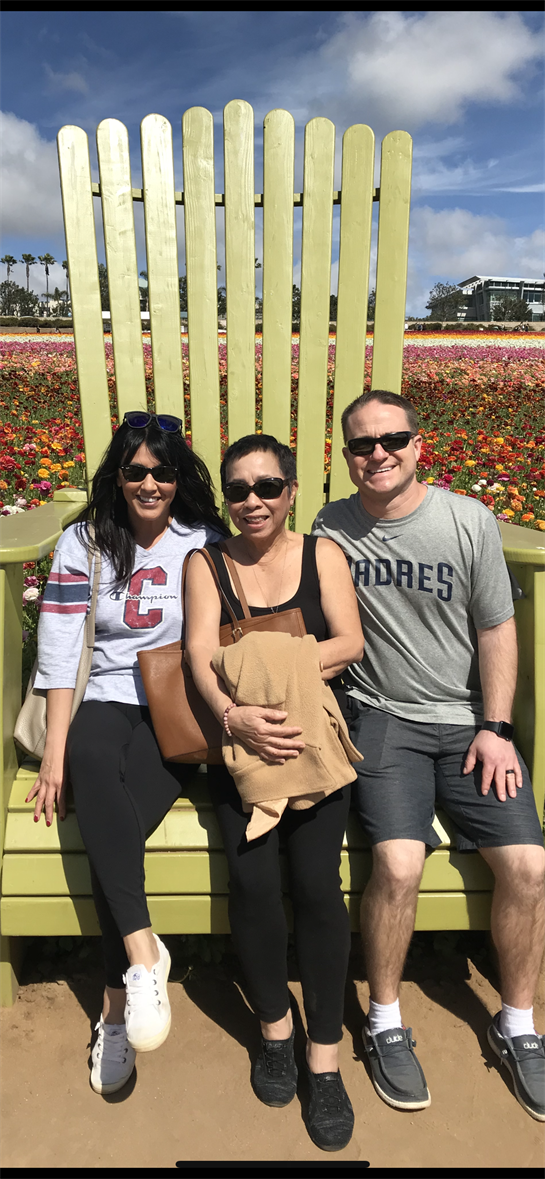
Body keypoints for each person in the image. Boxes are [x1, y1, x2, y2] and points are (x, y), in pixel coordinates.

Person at [312, 389, 545, 1122]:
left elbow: (496, 628)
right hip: (384, 717)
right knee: (398, 863)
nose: (377, 454)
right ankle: (384, 1020)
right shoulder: (330, 528)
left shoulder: (467, 521)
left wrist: (496, 726)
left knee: (529, 866)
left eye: (392, 440)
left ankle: (518, 1024)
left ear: (418, 445)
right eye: (362, 444)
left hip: (469, 722)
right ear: (346, 456)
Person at [26, 410, 229, 1095]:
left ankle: (116, 1007)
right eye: (136, 471)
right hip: (105, 695)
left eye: (163, 472)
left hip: (179, 706)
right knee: (87, 760)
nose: (149, 484)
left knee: (113, 830)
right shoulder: (85, 542)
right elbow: (59, 649)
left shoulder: (202, 542)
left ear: (178, 478)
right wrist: (53, 751)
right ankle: (145, 956)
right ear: (117, 476)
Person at [184, 434, 364, 1151]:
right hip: (239, 745)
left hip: (313, 743)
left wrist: (262, 672)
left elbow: (349, 642)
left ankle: (325, 1056)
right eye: (237, 489)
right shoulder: (208, 563)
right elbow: (200, 653)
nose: (251, 501)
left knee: (318, 886)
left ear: (291, 491)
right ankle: (275, 1030)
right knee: (253, 883)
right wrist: (236, 717)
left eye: (266, 487)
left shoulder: (323, 556)